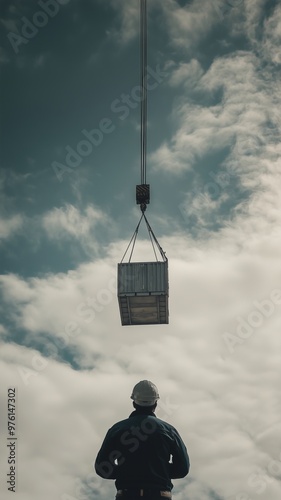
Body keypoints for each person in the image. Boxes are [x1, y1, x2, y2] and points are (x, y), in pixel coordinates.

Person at [95, 380, 190, 499]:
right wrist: (158, 471)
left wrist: (127, 471)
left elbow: (102, 468)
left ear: (134, 403)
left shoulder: (117, 429)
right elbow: (182, 469)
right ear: (155, 404)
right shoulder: (169, 431)